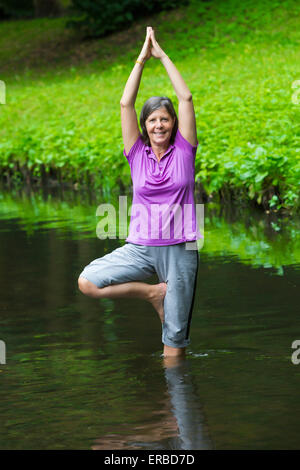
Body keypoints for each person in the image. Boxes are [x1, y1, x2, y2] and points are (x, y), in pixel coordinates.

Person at [78, 27, 201, 358]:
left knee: (173, 346)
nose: (158, 125)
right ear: (145, 126)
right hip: (140, 248)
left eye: (164, 119)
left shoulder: (185, 151)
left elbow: (187, 98)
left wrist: (162, 57)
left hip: (179, 250)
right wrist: (141, 60)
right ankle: (151, 294)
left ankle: (175, 406)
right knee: (88, 281)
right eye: (152, 121)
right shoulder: (136, 153)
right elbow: (125, 103)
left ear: (173, 124)